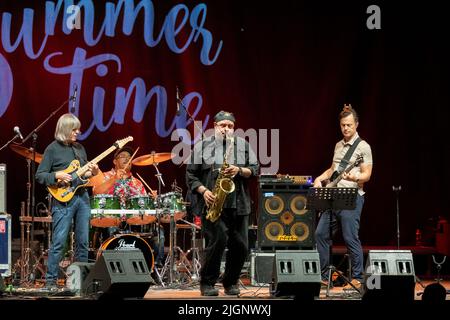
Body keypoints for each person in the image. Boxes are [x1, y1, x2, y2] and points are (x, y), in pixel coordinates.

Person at [186, 110, 259, 296]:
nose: (226, 129)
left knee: (241, 245)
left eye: (230, 126)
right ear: (215, 127)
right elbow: (190, 175)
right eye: (223, 125)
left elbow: (255, 168)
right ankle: (207, 283)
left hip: (239, 203)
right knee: (217, 242)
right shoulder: (202, 146)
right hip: (213, 203)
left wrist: (240, 170)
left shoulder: (242, 145)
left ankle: (230, 282)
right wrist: (204, 190)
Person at [36, 113, 99, 289]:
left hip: (82, 198)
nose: (78, 132)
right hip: (63, 201)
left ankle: (80, 283)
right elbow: (40, 175)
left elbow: (84, 174)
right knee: (59, 242)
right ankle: (50, 282)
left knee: (83, 243)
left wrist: (92, 172)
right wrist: (56, 175)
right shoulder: (52, 149)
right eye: (74, 129)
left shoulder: (80, 148)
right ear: (65, 129)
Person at [313, 104, 373, 290]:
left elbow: (367, 174)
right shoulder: (338, 145)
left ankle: (357, 277)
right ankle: (324, 276)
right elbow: (333, 170)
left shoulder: (363, 147)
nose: (346, 128)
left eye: (349, 125)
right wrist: (319, 178)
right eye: (343, 125)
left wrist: (355, 176)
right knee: (320, 234)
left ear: (356, 124)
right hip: (333, 196)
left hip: (352, 197)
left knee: (350, 237)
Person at [92, 146, 165, 267]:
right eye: (123, 157)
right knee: (111, 228)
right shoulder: (104, 176)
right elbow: (96, 193)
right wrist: (114, 179)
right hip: (111, 220)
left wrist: (151, 200)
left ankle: (155, 268)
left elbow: (143, 208)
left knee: (158, 231)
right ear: (114, 161)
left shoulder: (137, 182)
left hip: (134, 221)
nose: (127, 159)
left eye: (129, 157)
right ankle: (112, 268)